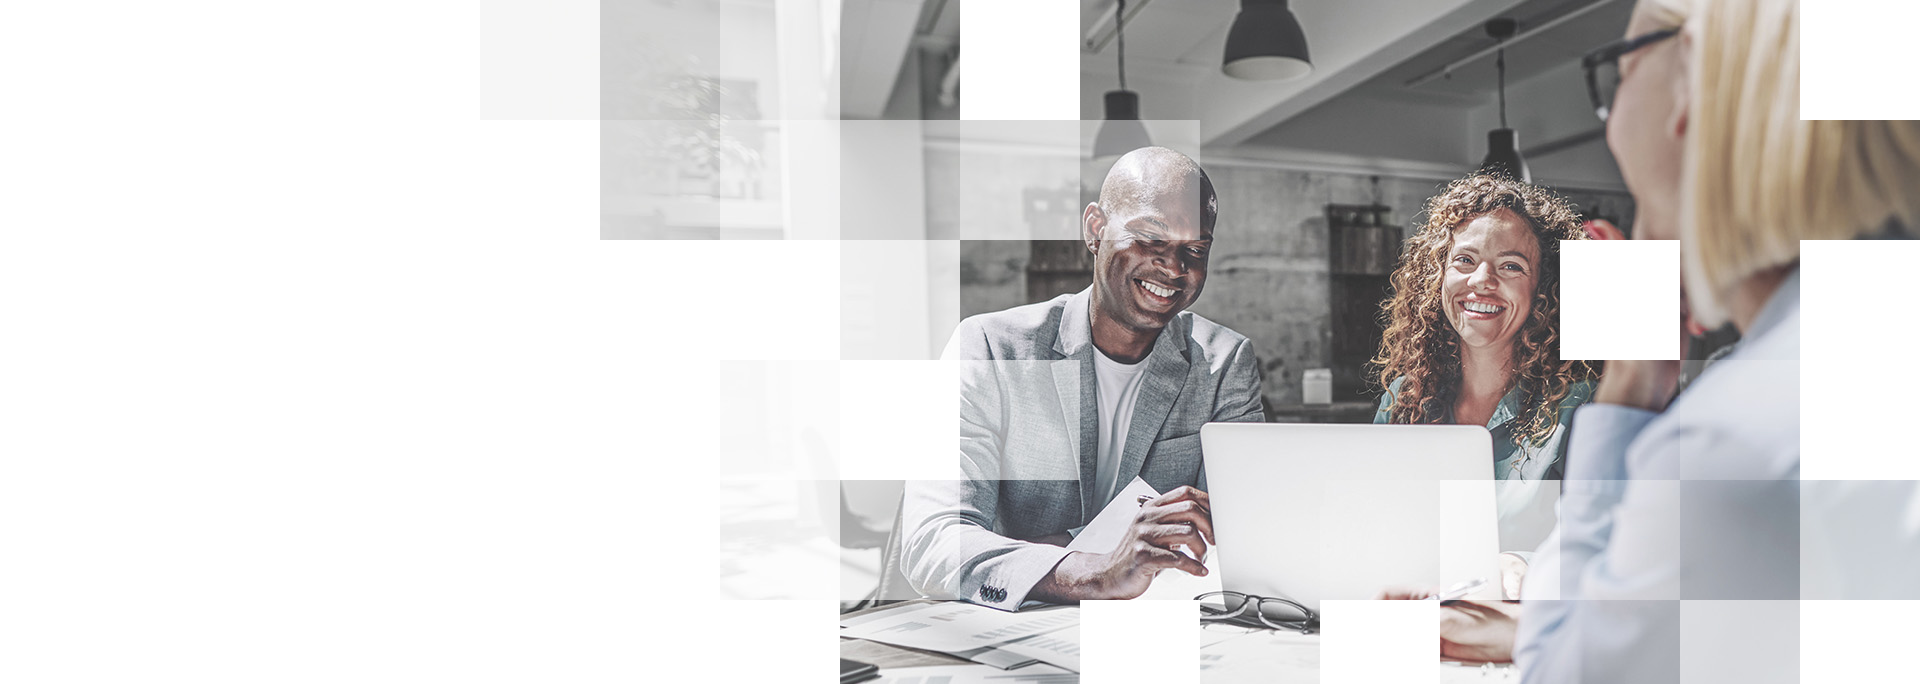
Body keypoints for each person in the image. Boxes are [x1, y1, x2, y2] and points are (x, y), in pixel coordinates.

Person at [1397, 0, 1920, 675]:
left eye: (1619, 71)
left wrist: (1627, 392)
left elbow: (1573, 672)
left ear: (1689, 89)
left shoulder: (1731, 440)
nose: (1612, 117)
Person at [882, 147, 1265, 609]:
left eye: (1195, 250)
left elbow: (1236, 536)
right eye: (1150, 237)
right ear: (1095, 229)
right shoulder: (990, 349)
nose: (1174, 267)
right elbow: (934, 540)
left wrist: (1064, 543)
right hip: (1011, 625)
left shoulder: (1224, 363)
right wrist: (1096, 570)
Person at [1372, 173, 1599, 589]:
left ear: (1545, 287)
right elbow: (1375, 525)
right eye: (1464, 260)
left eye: (1511, 266)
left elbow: (1616, 543)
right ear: (1438, 275)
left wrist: (1524, 563)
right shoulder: (1404, 396)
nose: (1481, 280)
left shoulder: (1583, 405)